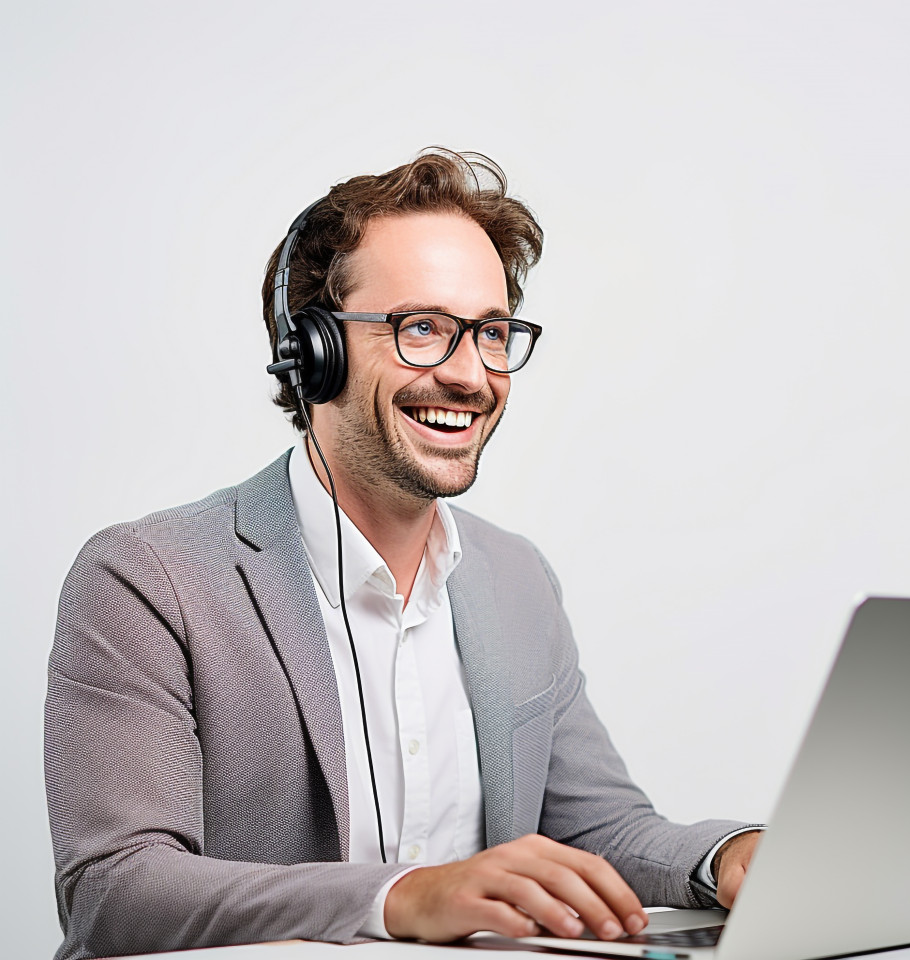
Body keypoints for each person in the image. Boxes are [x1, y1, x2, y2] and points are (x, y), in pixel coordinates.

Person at [45, 149, 760, 960]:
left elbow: (599, 831)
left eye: (491, 334)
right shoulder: (146, 581)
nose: (469, 375)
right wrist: (405, 896)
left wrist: (726, 857)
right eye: (422, 329)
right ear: (312, 350)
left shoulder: (518, 578)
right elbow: (116, 889)